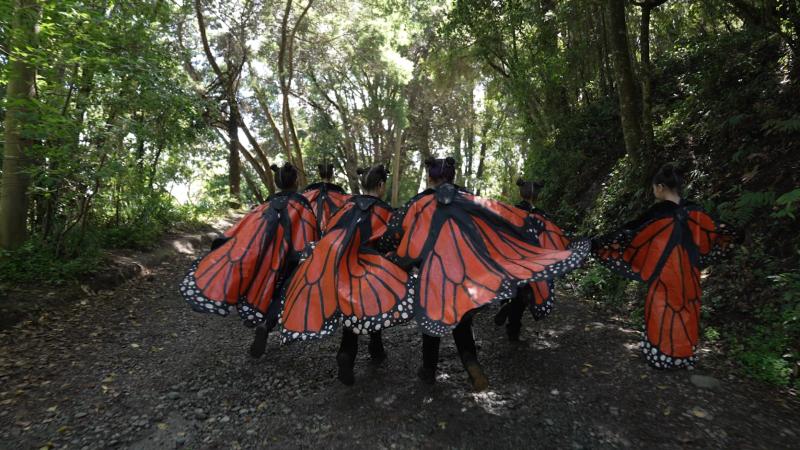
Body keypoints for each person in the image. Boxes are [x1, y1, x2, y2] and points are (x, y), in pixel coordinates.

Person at [382, 157, 589, 391]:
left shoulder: (419, 204)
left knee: (433, 320)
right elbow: (502, 217)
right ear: (453, 176)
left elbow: (398, 234)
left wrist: (397, 260)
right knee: (462, 324)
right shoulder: (470, 199)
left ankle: (428, 371)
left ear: (430, 177)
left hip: (434, 274)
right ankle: (473, 367)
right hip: (466, 273)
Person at [592, 163, 737, 368]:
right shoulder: (695, 211)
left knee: (663, 310)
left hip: (665, 271)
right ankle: (685, 356)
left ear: (660, 187)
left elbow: (630, 233)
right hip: (690, 271)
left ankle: (660, 355)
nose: (653, 191)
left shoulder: (658, 213)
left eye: (654, 187)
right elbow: (714, 231)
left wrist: (597, 244)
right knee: (688, 308)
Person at [280, 164, 414, 386]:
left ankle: (348, 355)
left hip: (340, 266)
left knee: (351, 314)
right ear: (381, 185)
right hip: (368, 268)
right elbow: (390, 241)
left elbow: (330, 230)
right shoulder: (384, 211)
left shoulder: (346, 205)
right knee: (372, 307)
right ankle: (374, 348)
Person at [179, 163, 318, 358]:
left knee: (265, 289)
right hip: (292, 259)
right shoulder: (303, 206)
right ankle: (268, 324)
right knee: (284, 292)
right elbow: (311, 236)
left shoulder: (264, 207)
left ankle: (262, 323)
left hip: (267, 259)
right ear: (296, 182)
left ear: (277, 183)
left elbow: (241, 233)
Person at [494, 178, 571, 342]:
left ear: (521, 193)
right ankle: (513, 331)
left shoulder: (511, 211)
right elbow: (550, 239)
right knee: (526, 294)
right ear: (537, 196)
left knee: (510, 288)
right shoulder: (542, 216)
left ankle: (505, 307)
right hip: (533, 261)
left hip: (513, 259)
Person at [302, 162, 350, 231]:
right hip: (334, 229)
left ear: (320, 174)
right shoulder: (339, 190)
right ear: (332, 174)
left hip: (313, 228)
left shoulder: (310, 189)